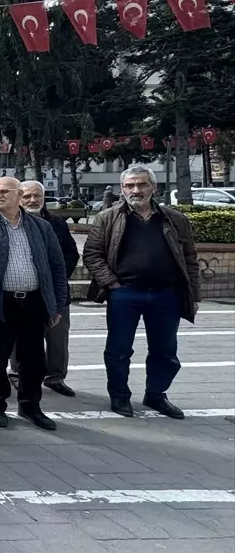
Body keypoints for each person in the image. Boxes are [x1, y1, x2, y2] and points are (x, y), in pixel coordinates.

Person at [83, 165, 200, 419]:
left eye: (142, 184)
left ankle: (156, 395)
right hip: (125, 294)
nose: (136, 190)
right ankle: (119, 396)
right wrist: (111, 283)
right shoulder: (108, 217)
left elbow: (190, 258)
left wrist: (194, 295)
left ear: (154, 188)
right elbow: (92, 253)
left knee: (165, 350)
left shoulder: (175, 219)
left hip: (165, 295)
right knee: (118, 349)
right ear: (122, 189)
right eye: (129, 185)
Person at [0, 177, 68, 432]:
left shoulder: (42, 227)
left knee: (33, 359)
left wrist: (58, 305)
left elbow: (57, 267)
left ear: (19, 195)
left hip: (34, 302)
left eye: (3, 191)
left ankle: (30, 406)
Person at [19, 180, 80, 396]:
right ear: (18, 197)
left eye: (38, 196)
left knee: (58, 337)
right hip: (23, 290)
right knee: (21, 337)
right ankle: (17, 374)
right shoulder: (11, 223)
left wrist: (57, 276)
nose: (33, 200)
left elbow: (72, 254)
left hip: (55, 291)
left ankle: (55, 377)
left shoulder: (57, 223)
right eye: (27, 196)